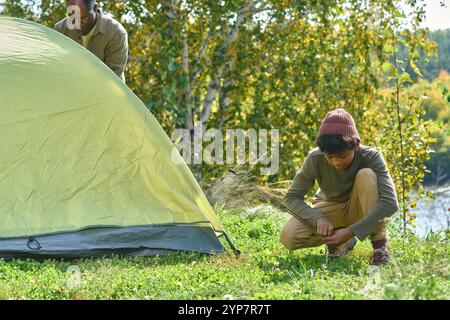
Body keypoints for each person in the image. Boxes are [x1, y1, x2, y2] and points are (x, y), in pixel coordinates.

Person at [280, 108, 399, 266]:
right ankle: (340, 243)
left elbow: (390, 203)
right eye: (330, 157)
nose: (336, 162)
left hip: (360, 208)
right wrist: (318, 219)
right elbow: (291, 197)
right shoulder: (314, 158)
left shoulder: (371, 156)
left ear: (356, 146)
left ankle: (380, 249)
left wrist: (351, 231)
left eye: (342, 156)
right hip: (330, 207)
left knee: (366, 174)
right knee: (289, 237)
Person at [54, 0, 128, 82]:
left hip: (106, 90)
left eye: (82, 17)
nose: (76, 23)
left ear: (95, 8)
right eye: (72, 17)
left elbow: (113, 79)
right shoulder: (60, 30)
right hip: (71, 87)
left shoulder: (116, 33)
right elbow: (57, 67)